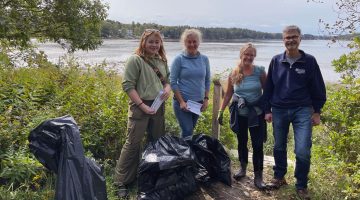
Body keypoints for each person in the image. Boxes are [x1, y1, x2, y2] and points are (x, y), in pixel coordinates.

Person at [262, 25, 326, 200]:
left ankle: (301, 185)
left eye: (294, 37)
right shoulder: (276, 61)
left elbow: (318, 88)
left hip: (303, 111)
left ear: (300, 38)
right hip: (279, 110)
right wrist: (267, 110)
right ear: (283, 40)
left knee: (303, 150)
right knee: (279, 146)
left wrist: (317, 111)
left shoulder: (310, 61)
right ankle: (279, 177)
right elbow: (269, 88)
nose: (290, 40)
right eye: (287, 37)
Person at [114, 29, 171, 198]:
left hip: (158, 106)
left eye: (157, 42)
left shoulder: (162, 61)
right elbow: (128, 86)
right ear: (143, 43)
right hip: (140, 107)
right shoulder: (135, 60)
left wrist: (167, 89)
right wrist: (142, 105)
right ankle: (121, 181)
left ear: (160, 44)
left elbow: (168, 81)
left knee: (156, 143)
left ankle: (150, 175)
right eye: (151, 41)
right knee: (132, 144)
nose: (154, 45)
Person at [217, 43, 267, 189]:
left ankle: (259, 176)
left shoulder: (260, 71)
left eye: (252, 55)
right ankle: (243, 168)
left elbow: (267, 92)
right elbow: (228, 94)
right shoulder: (234, 73)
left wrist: (269, 110)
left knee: (258, 145)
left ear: (254, 56)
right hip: (240, 114)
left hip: (257, 113)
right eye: (247, 54)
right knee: (242, 141)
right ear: (241, 55)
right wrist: (221, 111)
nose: (249, 57)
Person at [170, 28, 211, 139]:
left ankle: (183, 154)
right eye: (189, 42)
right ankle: (185, 155)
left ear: (199, 42)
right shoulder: (179, 59)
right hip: (183, 103)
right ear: (184, 43)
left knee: (189, 131)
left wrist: (206, 99)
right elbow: (173, 81)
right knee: (187, 131)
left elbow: (207, 80)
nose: (192, 44)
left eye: (194, 41)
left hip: (198, 104)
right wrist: (181, 102)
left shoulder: (204, 59)